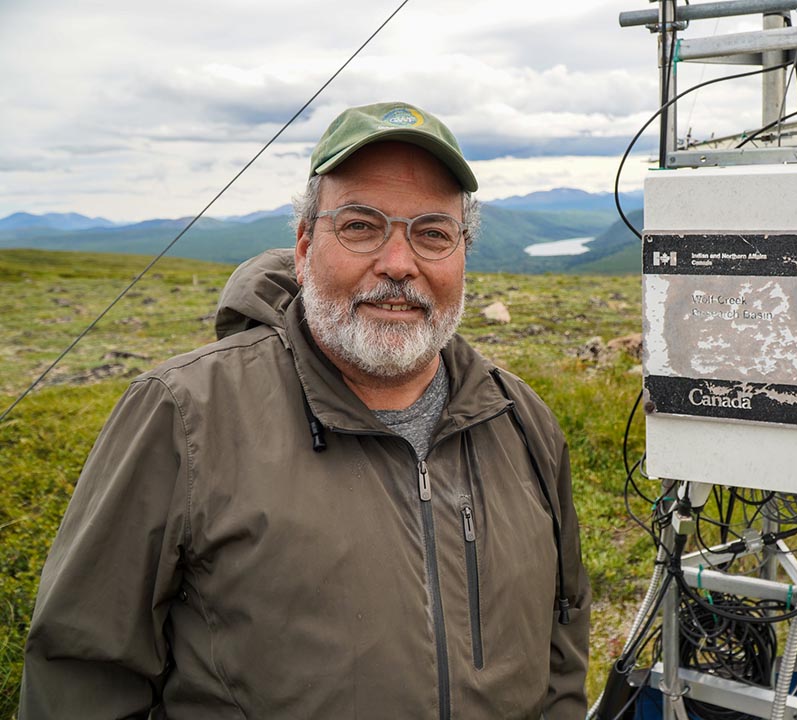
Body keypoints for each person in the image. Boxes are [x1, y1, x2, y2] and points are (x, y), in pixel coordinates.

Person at [20, 101, 590, 719]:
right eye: (361, 226)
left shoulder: (521, 421)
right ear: (302, 247)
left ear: (461, 255)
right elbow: (82, 673)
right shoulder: (183, 414)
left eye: (432, 233)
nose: (399, 264)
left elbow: (562, 640)